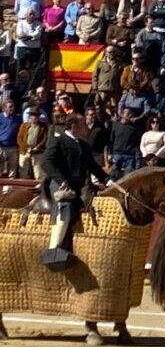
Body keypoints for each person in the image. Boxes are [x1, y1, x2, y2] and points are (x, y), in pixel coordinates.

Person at [39, 113, 114, 271]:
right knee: (64, 203)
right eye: (83, 125)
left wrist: (108, 180)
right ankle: (53, 250)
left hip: (79, 187)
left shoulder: (84, 146)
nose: (87, 128)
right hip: (59, 185)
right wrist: (61, 180)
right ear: (73, 126)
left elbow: (93, 167)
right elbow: (46, 162)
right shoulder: (58, 141)